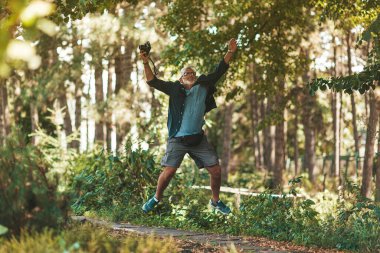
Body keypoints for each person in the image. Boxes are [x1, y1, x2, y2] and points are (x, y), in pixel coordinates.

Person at [140, 38, 237, 215]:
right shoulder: (174, 88)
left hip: (198, 139)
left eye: (192, 72)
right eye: (186, 73)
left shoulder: (203, 85)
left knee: (216, 170)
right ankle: (156, 198)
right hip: (177, 138)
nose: (190, 74)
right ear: (180, 78)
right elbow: (152, 80)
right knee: (169, 172)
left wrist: (230, 51)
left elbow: (220, 70)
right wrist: (146, 61)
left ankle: (216, 201)